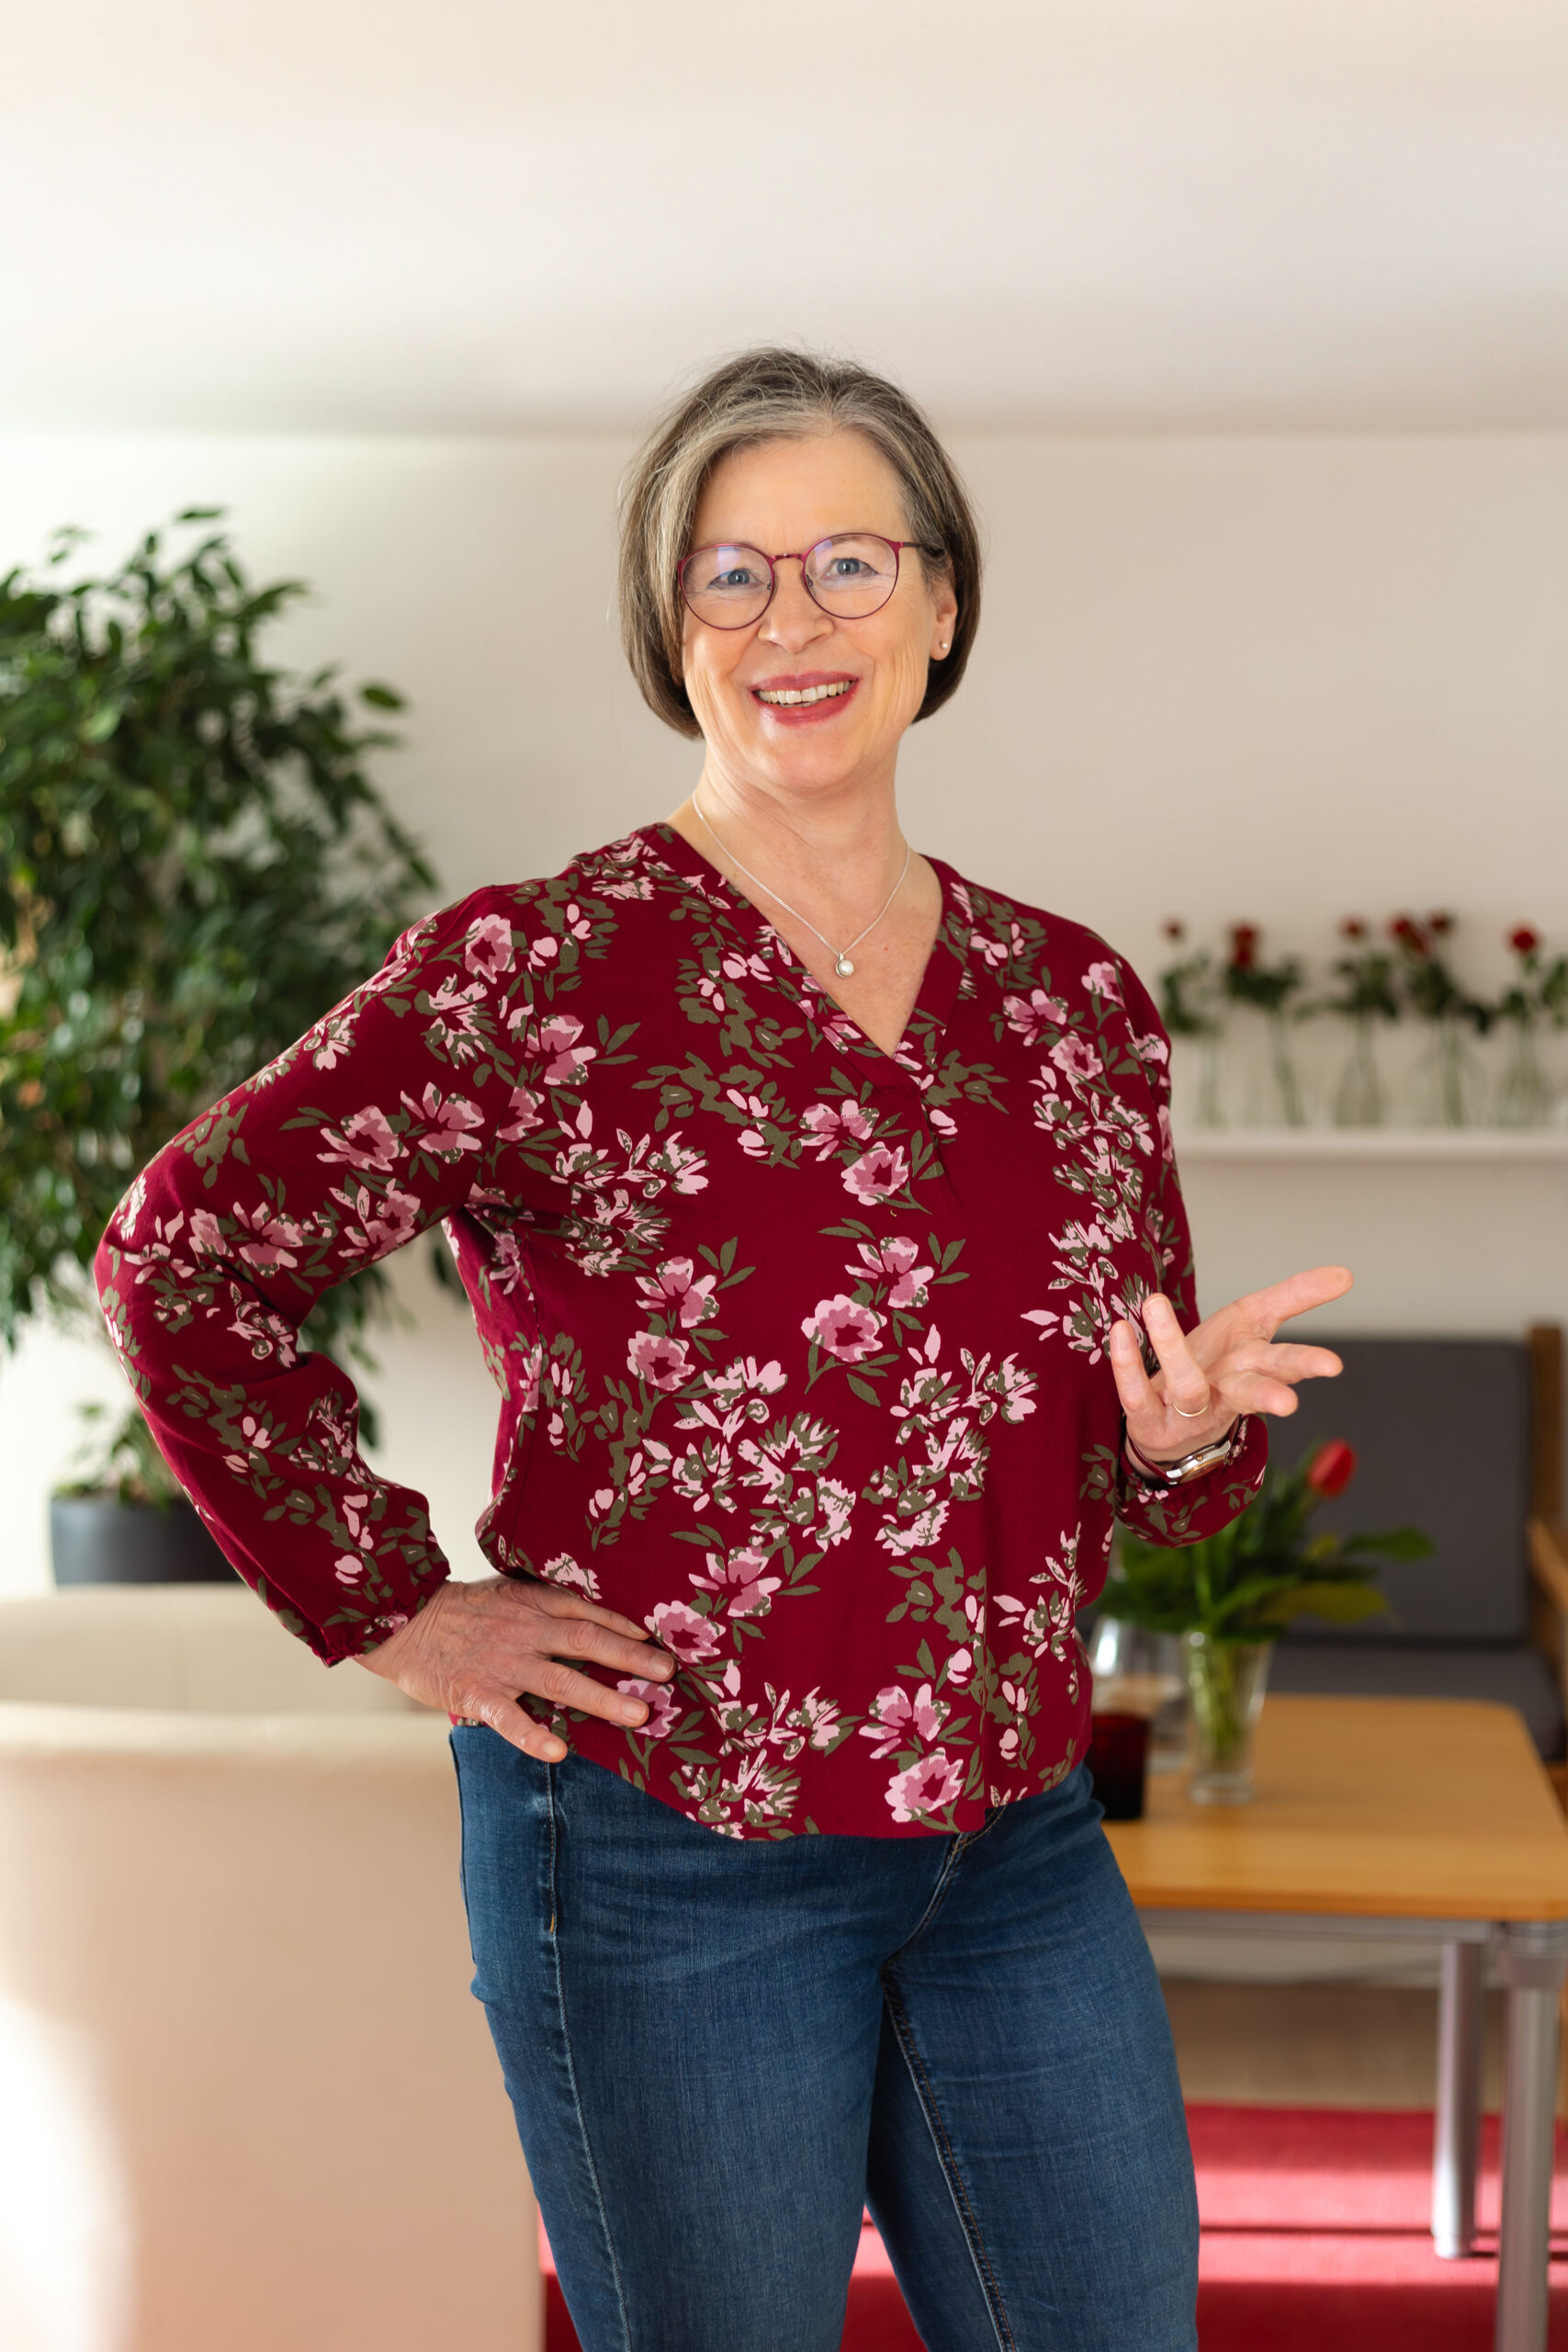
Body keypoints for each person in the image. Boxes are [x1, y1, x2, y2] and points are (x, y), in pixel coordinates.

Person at [96, 347, 1350, 2352]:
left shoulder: (1070, 1000)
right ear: (663, 626)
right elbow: (182, 1252)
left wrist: (1184, 1433)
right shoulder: (538, 969)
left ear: (940, 601)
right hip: (664, 1842)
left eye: (849, 561)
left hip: (1009, 1838)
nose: (793, 621)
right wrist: (391, 1603)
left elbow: (1127, 1461)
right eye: (728, 576)